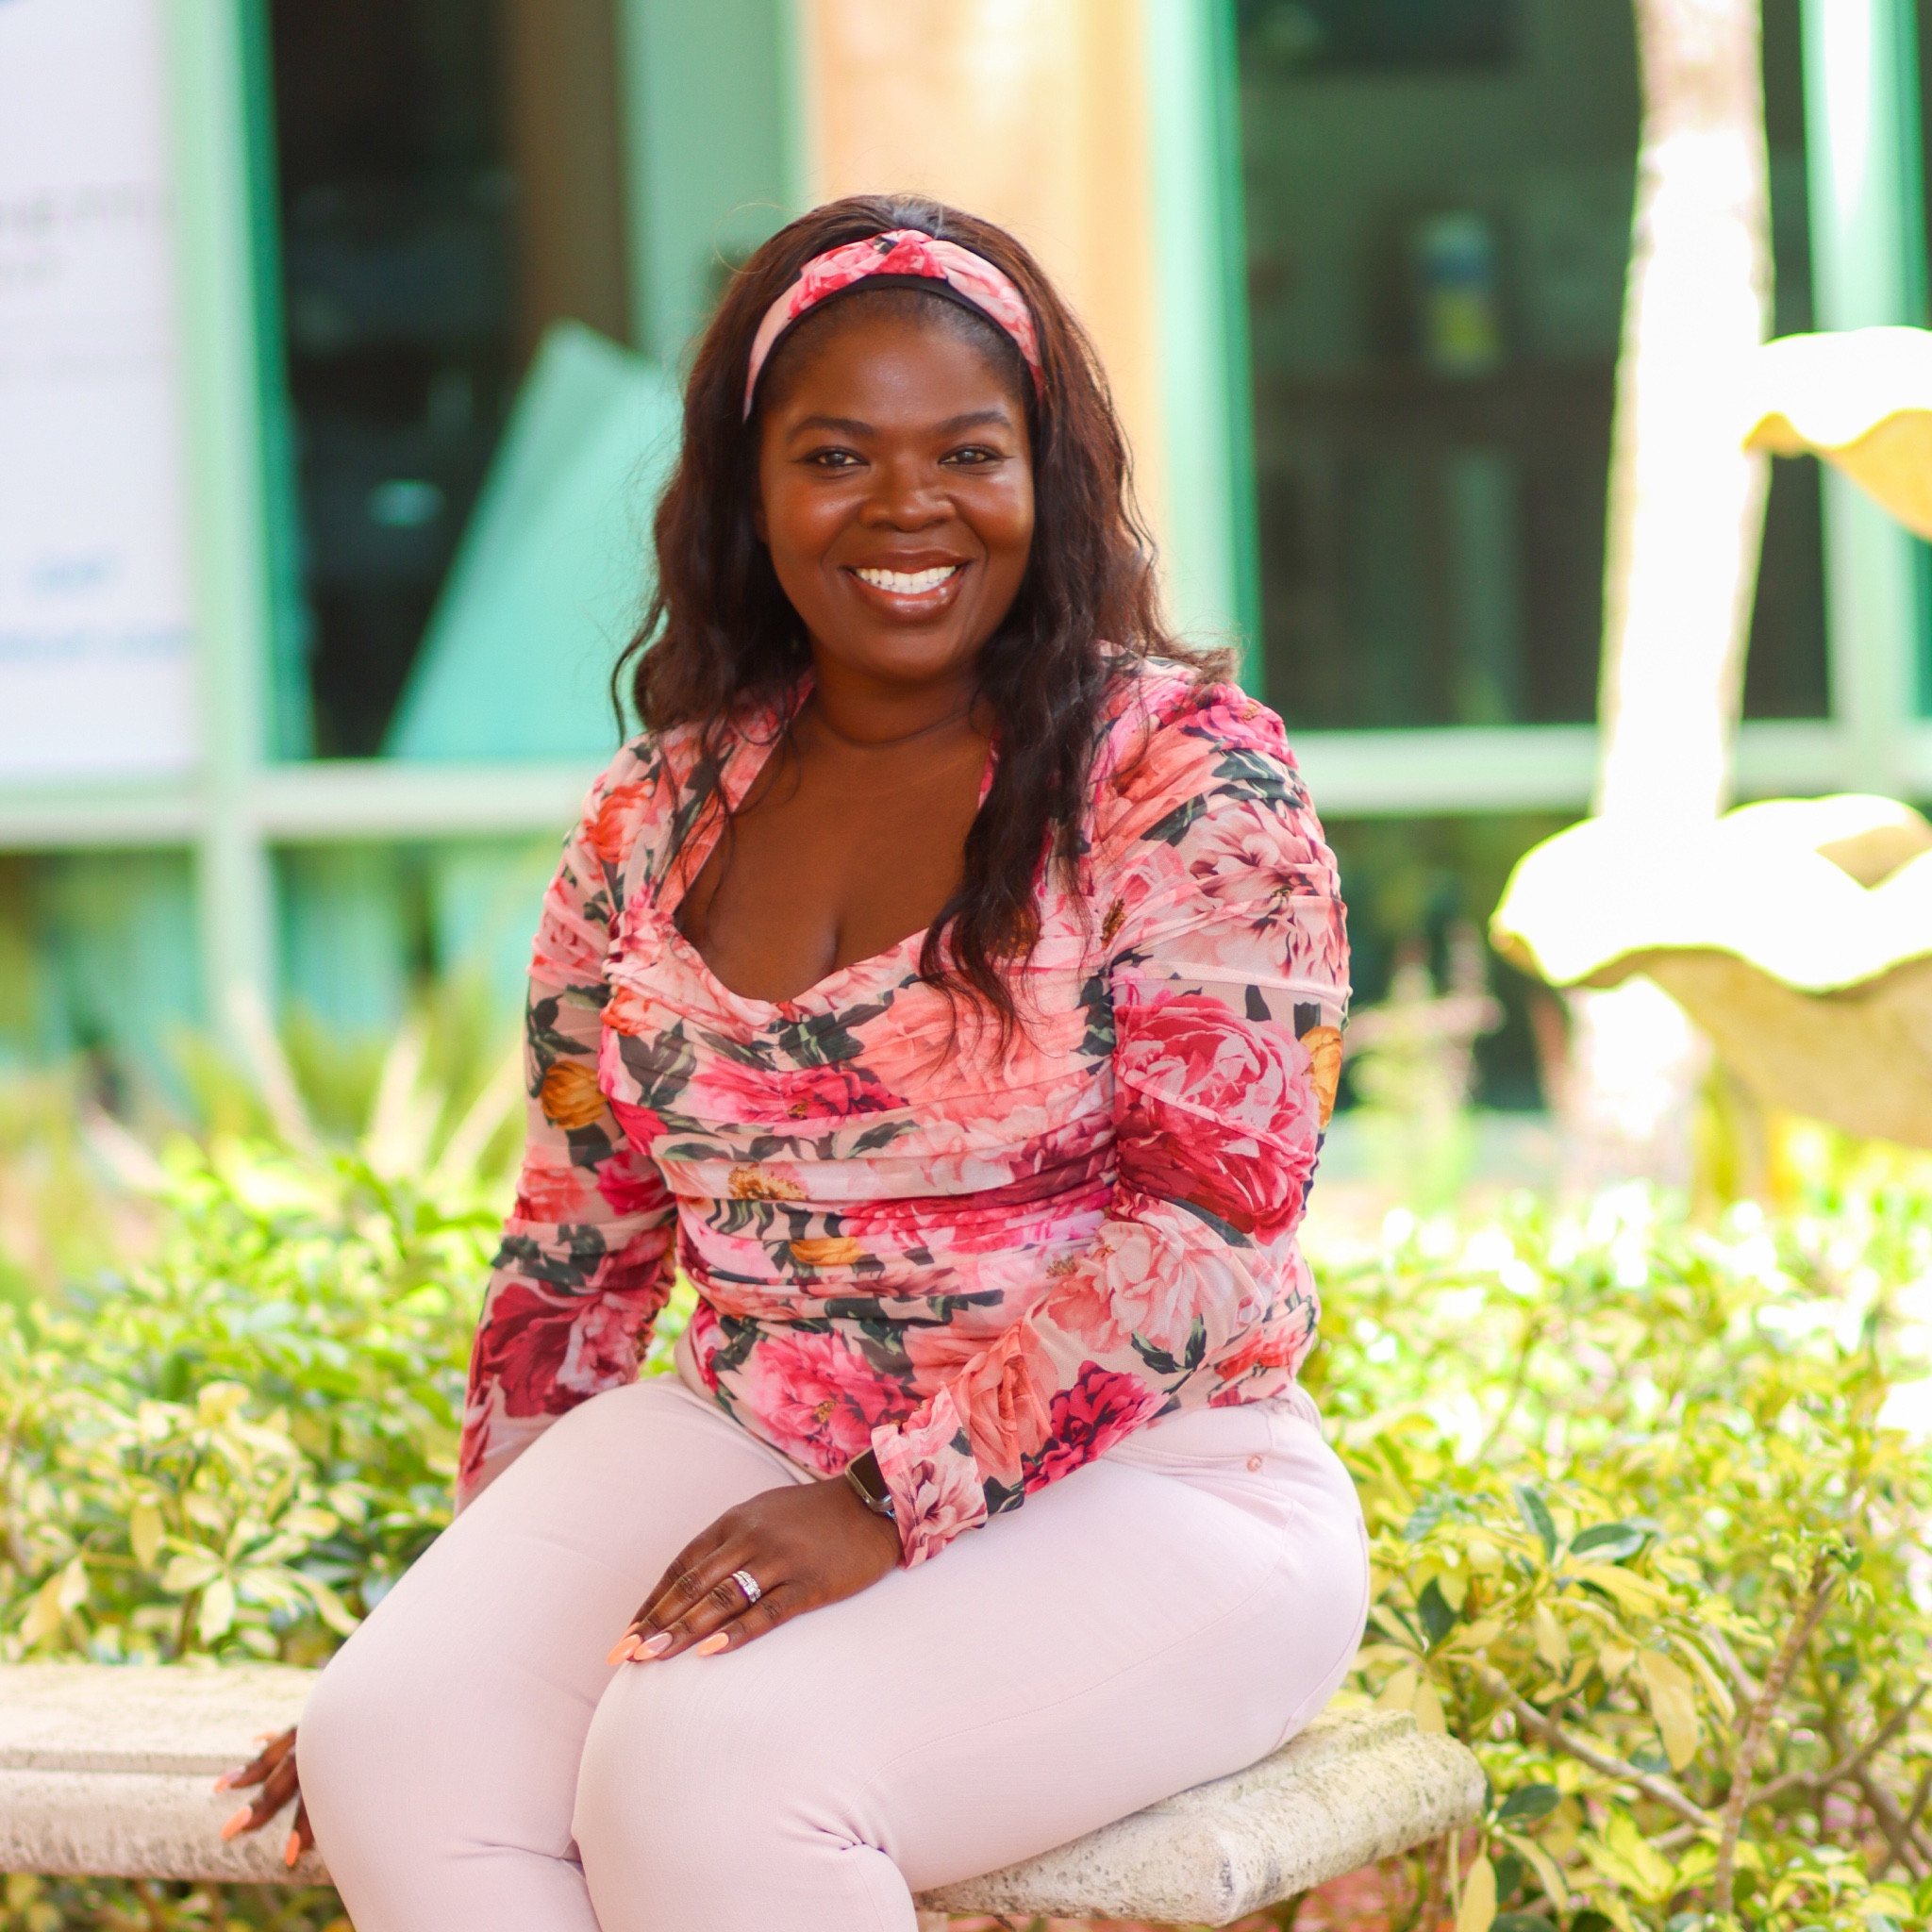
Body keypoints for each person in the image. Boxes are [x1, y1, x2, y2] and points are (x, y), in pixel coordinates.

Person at [220, 194, 1367, 1932]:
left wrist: (882, 1505)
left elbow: (1210, 1233)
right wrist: (467, 1637)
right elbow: (576, 1238)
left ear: (1044, 477)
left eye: (967, 451)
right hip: (756, 1425)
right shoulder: (653, 811)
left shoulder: (1183, 781)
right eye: (836, 454)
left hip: (1161, 1484)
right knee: (400, 1742)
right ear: (749, 496)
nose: (907, 508)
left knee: (710, 1769)